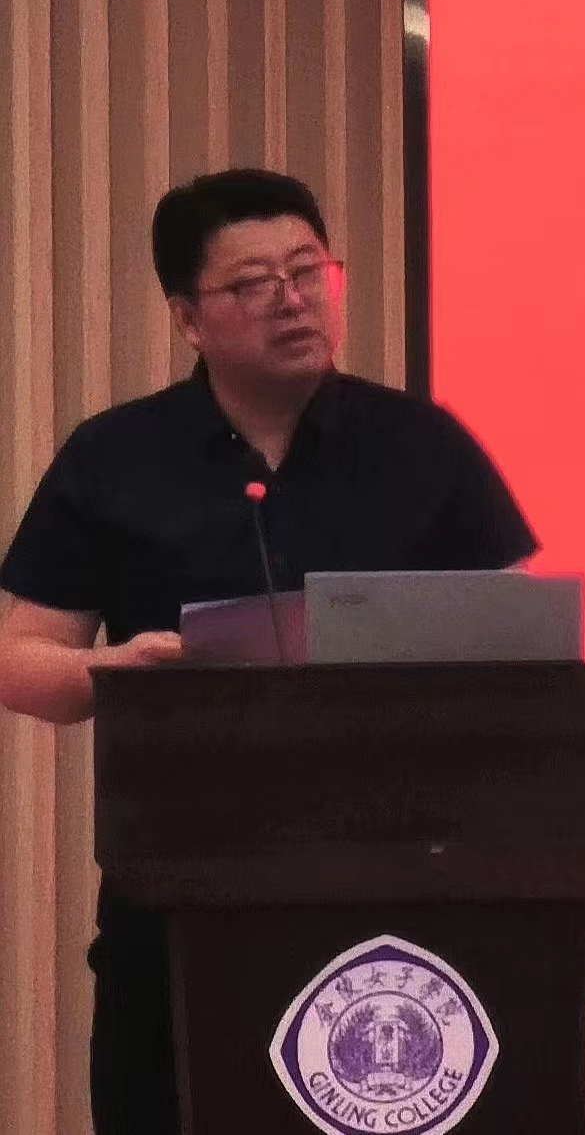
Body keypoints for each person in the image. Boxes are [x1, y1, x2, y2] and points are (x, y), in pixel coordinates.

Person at [0, 169, 536, 1135]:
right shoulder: (114, 457)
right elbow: (21, 660)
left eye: (308, 271)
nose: (293, 300)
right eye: (253, 283)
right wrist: (104, 673)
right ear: (187, 318)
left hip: (403, 893)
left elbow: (519, 642)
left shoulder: (422, 446)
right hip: (179, 895)